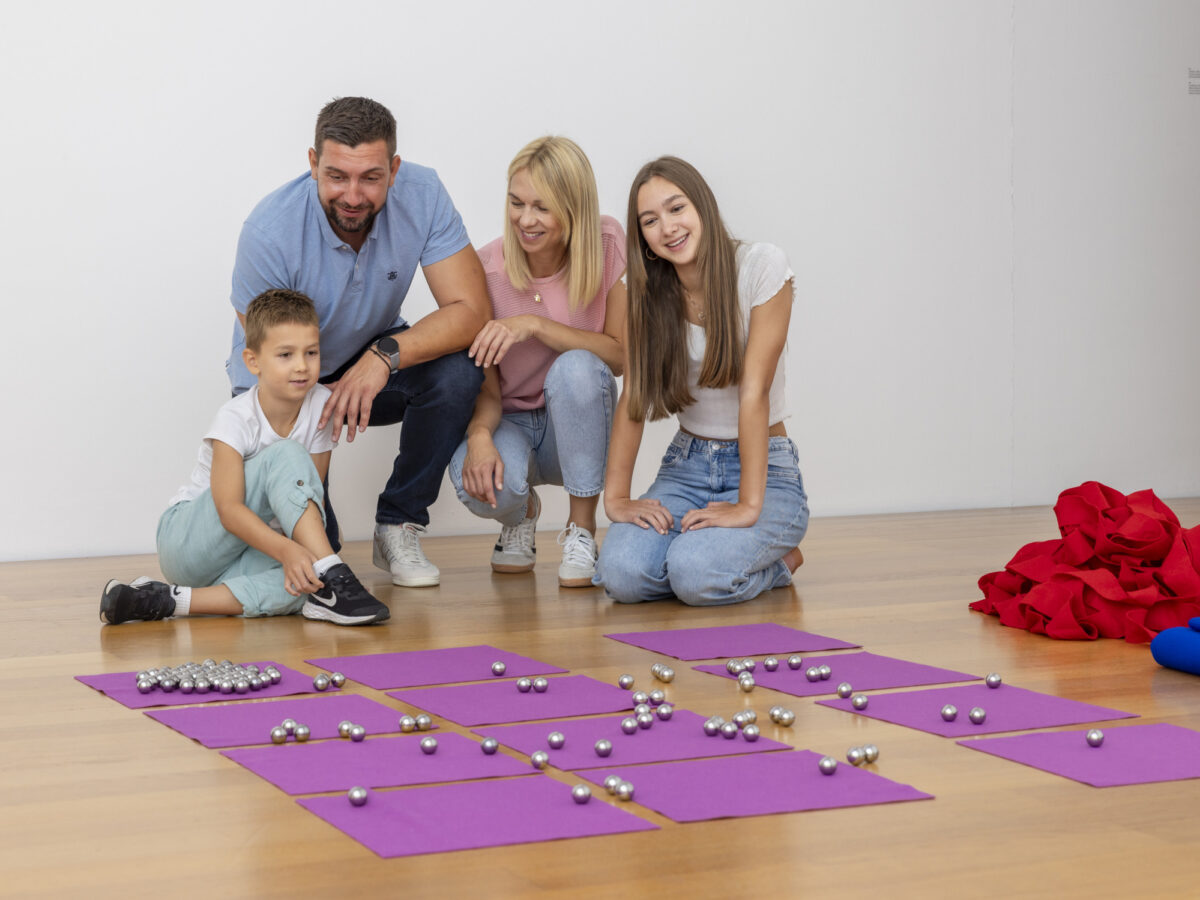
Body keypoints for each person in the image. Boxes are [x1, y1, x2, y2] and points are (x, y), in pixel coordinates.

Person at [227, 97, 489, 587]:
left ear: (394, 169)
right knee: (309, 558)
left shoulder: (424, 193)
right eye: (336, 176)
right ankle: (317, 521)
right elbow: (274, 356)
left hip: (371, 358)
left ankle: (399, 522)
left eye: (370, 177)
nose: (352, 195)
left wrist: (382, 358)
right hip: (283, 377)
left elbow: (471, 312)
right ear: (312, 164)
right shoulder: (268, 231)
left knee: (458, 371)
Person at [101, 290, 389, 626]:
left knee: (305, 584)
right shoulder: (235, 418)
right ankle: (334, 571)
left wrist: (300, 558)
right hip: (188, 543)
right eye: (285, 355)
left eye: (311, 352)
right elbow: (229, 512)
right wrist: (287, 551)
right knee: (286, 455)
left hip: (247, 552)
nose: (302, 365)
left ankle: (165, 600)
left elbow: (308, 497)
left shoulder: (322, 406)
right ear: (253, 362)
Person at [593, 156, 808, 606]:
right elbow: (633, 393)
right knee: (620, 574)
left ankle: (779, 563)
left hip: (765, 469)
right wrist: (616, 499)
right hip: (687, 466)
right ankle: (709, 556)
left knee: (695, 575)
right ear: (644, 238)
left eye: (677, 208)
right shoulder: (644, 292)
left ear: (702, 206)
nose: (667, 227)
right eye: (650, 220)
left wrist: (748, 505)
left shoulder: (761, 266)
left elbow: (754, 392)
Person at [447, 137, 627, 586]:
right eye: (516, 203)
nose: (525, 220)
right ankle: (522, 512)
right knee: (481, 487)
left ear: (574, 208)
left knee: (578, 368)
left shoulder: (607, 244)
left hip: (582, 422)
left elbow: (620, 357)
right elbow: (484, 380)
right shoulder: (486, 269)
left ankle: (582, 529)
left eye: (542, 208)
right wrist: (479, 435)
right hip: (510, 421)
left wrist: (536, 324)